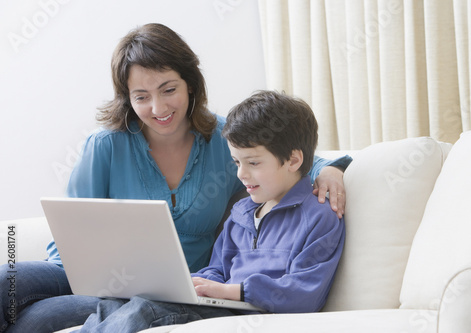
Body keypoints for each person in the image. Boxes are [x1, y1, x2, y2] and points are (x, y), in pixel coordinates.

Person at [0, 24, 351, 333]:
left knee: (36, 319)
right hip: (84, 277)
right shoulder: (107, 145)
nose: (158, 108)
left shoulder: (224, 140)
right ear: (128, 98)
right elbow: (69, 228)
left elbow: (287, 156)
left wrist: (329, 169)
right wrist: (86, 276)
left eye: (169, 90)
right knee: (6, 281)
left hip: (173, 290)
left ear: (190, 83)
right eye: (141, 97)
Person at [76, 90, 346, 332]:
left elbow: (304, 294)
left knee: (144, 310)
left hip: (252, 312)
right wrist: (189, 283)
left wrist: (231, 291)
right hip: (220, 304)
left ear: (293, 160)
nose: (241, 174)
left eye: (253, 162)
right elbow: (216, 268)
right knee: (120, 302)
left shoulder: (318, 216)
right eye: (236, 162)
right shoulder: (242, 213)